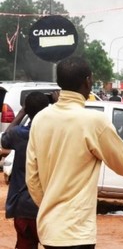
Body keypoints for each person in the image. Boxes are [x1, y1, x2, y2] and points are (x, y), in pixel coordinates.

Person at [26, 56, 123, 248]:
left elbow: (32, 178)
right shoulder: (93, 122)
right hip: (77, 234)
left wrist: (50, 208)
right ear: (88, 81)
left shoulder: (40, 119)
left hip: (50, 231)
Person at [2, 91, 51, 249]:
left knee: (25, 244)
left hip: (22, 204)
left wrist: (23, 111)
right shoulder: (53, 134)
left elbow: (4, 139)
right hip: (47, 203)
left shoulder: (19, 134)